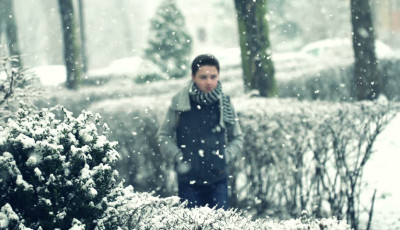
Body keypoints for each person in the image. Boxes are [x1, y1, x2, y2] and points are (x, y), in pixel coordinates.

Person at [157, 54, 243, 210]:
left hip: (218, 178)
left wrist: (225, 156)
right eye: (203, 77)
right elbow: (163, 136)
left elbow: (237, 138)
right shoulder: (180, 102)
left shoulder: (224, 102)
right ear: (193, 77)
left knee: (219, 225)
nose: (209, 81)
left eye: (213, 76)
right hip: (188, 181)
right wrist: (179, 156)